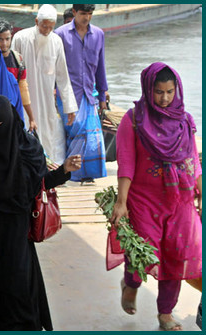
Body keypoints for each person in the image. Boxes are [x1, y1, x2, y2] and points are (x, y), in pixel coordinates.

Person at [0, 95, 82, 330]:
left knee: (18, 289)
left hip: (15, 232)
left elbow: (37, 184)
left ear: (9, 121)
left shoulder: (28, 148)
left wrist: (63, 171)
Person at [109, 63, 202, 331]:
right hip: (144, 199)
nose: (164, 98)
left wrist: (201, 192)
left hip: (180, 198)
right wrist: (121, 201)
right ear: (148, 90)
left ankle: (165, 313)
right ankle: (131, 282)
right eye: (159, 92)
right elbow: (126, 161)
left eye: (170, 92)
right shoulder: (134, 118)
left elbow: (192, 159)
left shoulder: (184, 119)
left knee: (176, 255)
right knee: (143, 251)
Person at [11, 4, 77, 166]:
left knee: (47, 134)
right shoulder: (20, 38)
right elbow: (11, 71)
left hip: (46, 99)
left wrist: (69, 107)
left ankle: (44, 172)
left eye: (50, 27)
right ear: (36, 21)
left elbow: (62, 75)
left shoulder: (56, 41)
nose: (47, 30)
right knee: (23, 132)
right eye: (44, 26)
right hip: (23, 98)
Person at [55, 4, 109, 184]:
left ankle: (87, 174)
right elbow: (53, 66)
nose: (86, 18)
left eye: (90, 14)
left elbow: (100, 66)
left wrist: (103, 95)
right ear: (75, 13)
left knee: (92, 135)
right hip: (67, 94)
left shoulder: (99, 34)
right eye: (83, 13)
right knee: (73, 131)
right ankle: (69, 172)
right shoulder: (60, 34)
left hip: (89, 93)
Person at [0, 19, 37, 131]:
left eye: (7, 39)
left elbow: (23, 90)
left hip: (12, 112)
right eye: (0, 39)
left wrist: (31, 118)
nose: (4, 43)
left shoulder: (17, 60)